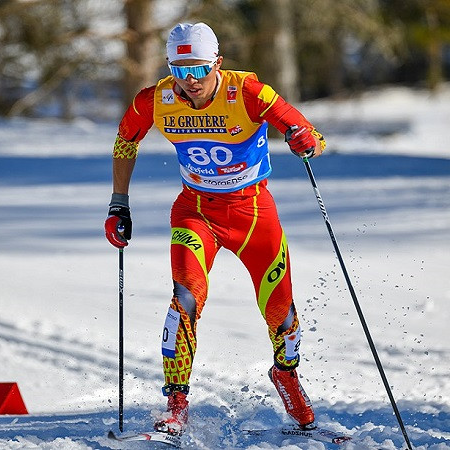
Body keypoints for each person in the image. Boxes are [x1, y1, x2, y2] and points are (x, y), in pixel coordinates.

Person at [104, 22, 326, 436]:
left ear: (218, 64)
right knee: (185, 298)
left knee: (280, 309)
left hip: (254, 214)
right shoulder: (156, 99)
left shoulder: (249, 93)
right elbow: (124, 141)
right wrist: (119, 203)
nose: (190, 82)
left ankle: (287, 376)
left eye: (199, 70)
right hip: (196, 212)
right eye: (179, 70)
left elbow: (312, 135)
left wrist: (303, 139)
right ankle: (176, 403)